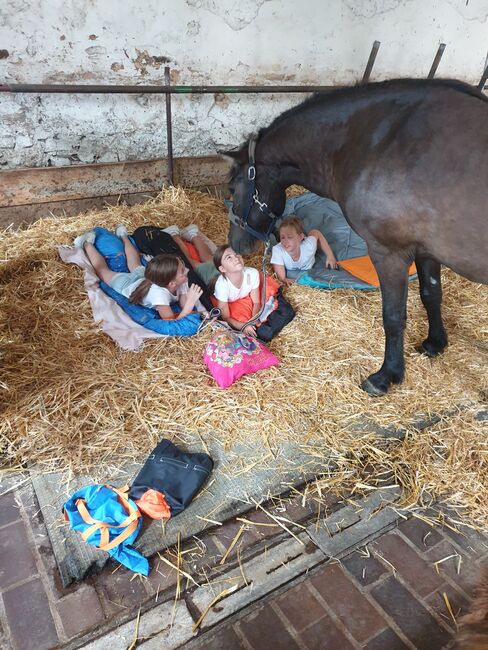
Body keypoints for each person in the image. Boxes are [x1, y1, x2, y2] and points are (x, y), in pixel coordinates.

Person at [74, 225, 204, 320]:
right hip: (127, 285)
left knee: (134, 261)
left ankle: (123, 236)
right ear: (171, 283)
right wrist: (191, 303)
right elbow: (170, 320)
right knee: (102, 271)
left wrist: (200, 312)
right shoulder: (159, 295)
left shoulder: (180, 281)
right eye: (183, 271)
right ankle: (87, 244)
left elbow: (183, 304)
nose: (187, 270)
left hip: (144, 277)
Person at [213, 244, 295, 342]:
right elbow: (225, 317)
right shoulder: (221, 285)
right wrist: (243, 326)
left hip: (245, 298)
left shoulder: (252, 273)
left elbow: (256, 302)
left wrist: (254, 321)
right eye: (229, 257)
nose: (236, 258)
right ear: (223, 269)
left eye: (235, 254)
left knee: (286, 312)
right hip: (215, 281)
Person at [270, 216, 338, 286]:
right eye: (282, 237)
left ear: (300, 237)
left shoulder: (308, 247)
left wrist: (330, 255)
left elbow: (316, 232)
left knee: (312, 237)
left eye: (290, 237)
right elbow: (281, 278)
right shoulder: (278, 250)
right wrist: (284, 279)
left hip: (305, 243)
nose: (285, 241)